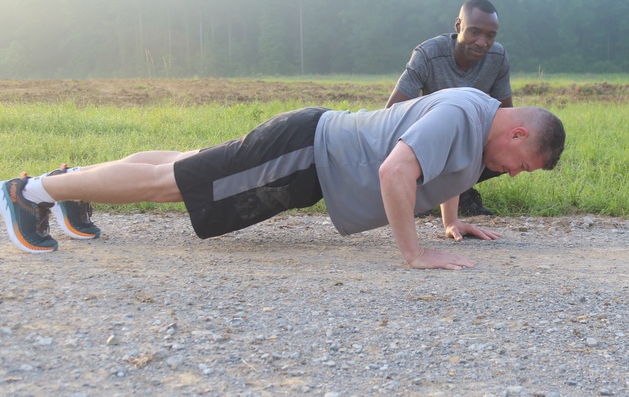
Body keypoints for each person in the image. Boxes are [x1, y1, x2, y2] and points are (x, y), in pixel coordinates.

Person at [1, 88, 565, 270]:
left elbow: (441, 170)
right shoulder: (464, 114)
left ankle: (71, 183)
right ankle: (29, 193)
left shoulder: (478, 125)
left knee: (184, 163)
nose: (513, 174)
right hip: (305, 153)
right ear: (518, 136)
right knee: (173, 183)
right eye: (523, 164)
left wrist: (451, 224)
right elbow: (399, 170)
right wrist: (413, 253)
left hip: (308, 154)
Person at [386, 0, 512, 217]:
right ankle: (418, 189)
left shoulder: (497, 58)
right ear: (458, 26)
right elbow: (392, 112)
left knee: (511, 145)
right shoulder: (428, 54)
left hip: (469, 142)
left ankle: (462, 192)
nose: (482, 42)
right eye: (474, 32)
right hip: (430, 140)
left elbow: (507, 117)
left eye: (490, 35)